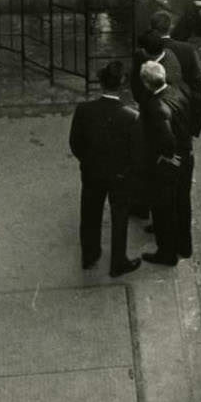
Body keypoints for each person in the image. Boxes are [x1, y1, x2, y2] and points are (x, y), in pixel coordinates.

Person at [69, 60, 141, 278]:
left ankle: (89, 255)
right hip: (119, 175)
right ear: (122, 85)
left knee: (90, 212)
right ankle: (118, 261)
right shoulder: (131, 116)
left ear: (101, 83)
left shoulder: (84, 110)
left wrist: (87, 161)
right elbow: (135, 150)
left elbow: (75, 143)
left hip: (92, 171)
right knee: (119, 215)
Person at [135, 59, 195, 267]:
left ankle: (167, 253)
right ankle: (185, 246)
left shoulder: (154, 105)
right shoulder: (180, 90)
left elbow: (165, 137)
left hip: (169, 163)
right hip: (186, 155)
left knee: (163, 207)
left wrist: (167, 154)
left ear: (146, 83)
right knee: (182, 201)